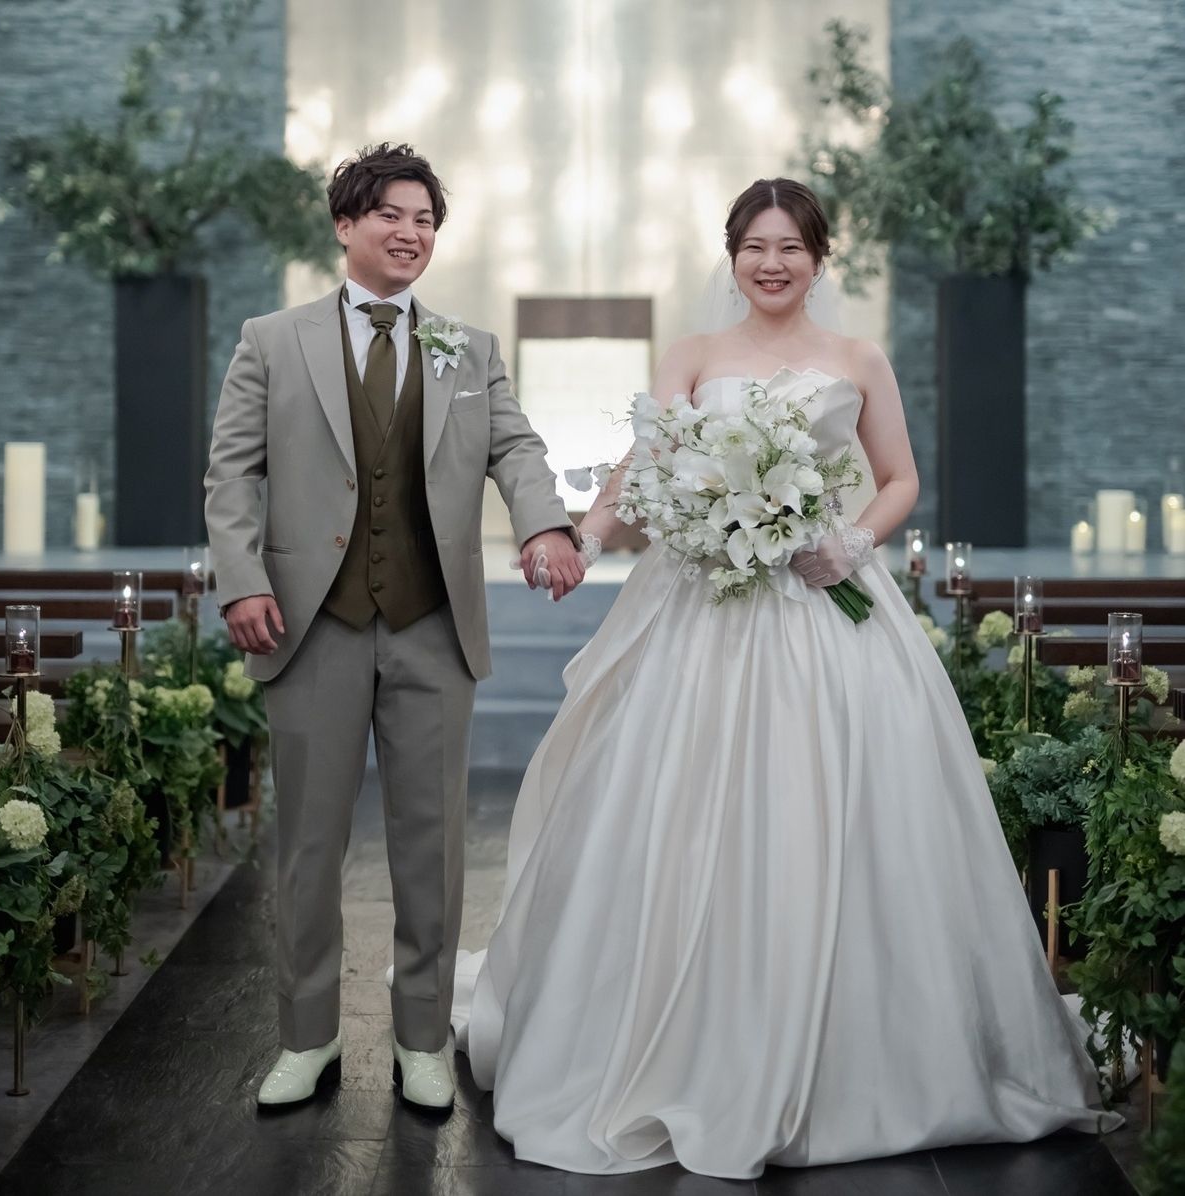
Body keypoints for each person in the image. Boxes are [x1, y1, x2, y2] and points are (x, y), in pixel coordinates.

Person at [449, 178, 1123, 1176]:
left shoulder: (857, 359)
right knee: (677, 806)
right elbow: (645, 462)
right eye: (755, 247)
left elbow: (899, 478)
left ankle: (864, 1049)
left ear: (818, 257)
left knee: (836, 802)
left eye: (790, 247)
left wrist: (849, 542)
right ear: (731, 256)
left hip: (821, 599)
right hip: (703, 607)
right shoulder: (692, 355)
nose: (772, 263)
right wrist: (583, 535)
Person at [204, 142, 584, 1111]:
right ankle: (307, 1035)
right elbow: (231, 472)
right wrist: (240, 580)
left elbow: (515, 446)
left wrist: (543, 522)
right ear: (345, 224)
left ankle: (422, 1036)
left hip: (431, 624)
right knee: (308, 845)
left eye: (425, 220)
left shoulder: (469, 348)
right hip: (309, 624)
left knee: (432, 843)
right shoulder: (270, 340)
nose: (410, 233)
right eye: (391, 215)